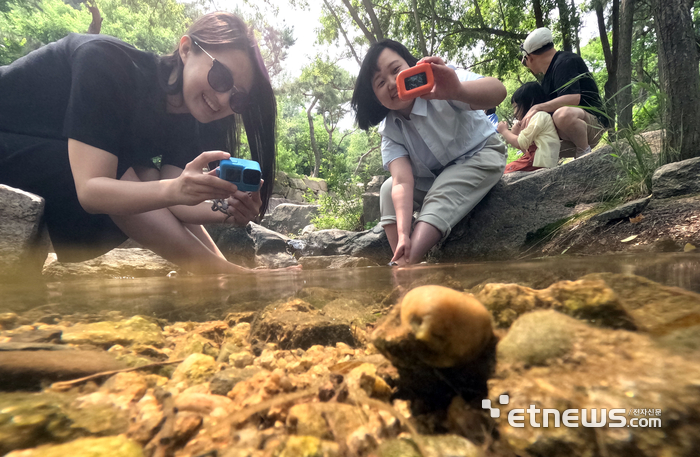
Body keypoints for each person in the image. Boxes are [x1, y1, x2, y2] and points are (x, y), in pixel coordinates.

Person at [0, 12, 293, 275]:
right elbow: (93, 189)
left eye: (238, 98)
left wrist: (229, 211)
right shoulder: (106, 63)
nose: (222, 99)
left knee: (142, 178)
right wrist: (228, 274)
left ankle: (220, 277)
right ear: (186, 49)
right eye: (220, 76)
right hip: (9, 138)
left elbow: (177, 201)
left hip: (42, 162)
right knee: (126, 176)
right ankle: (220, 276)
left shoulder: (190, 116)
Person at [351, 39, 507, 266]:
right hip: (434, 178)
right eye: (380, 83)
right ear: (376, 98)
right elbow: (402, 182)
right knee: (387, 189)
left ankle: (406, 265)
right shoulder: (390, 129)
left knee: (443, 191)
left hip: (480, 154)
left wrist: (457, 91)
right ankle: (402, 253)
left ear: (411, 65)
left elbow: (498, 91)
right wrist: (404, 232)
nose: (392, 83)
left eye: (396, 70)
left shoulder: (441, 81)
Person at [519, 27, 610, 158]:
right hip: (569, 133)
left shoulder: (565, 62)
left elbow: (573, 98)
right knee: (532, 140)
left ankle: (583, 153)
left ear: (530, 57)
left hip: (593, 124)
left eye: (524, 60)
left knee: (562, 115)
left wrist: (537, 107)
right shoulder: (546, 79)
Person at [498, 82, 560, 173]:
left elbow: (520, 143)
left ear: (529, 102)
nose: (514, 113)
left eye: (515, 107)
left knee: (502, 173)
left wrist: (504, 131)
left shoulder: (539, 116)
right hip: (534, 160)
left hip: (537, 162)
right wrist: (516, 134)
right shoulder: (536, 119)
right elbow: (525, 149)